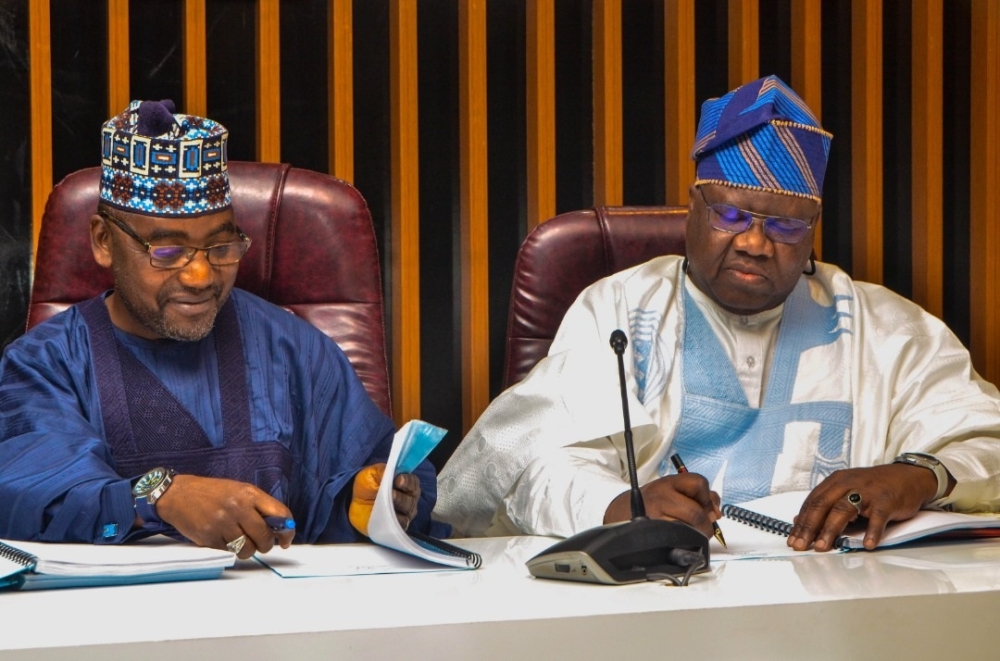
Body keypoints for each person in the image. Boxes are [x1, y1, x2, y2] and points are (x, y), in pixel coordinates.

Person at [434, 75, 1000, 552]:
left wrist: (918, 476)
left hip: (840, 603)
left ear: (813, 230)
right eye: (730, 215)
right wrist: (623, 506)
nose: (755, 243)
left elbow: (986, 440)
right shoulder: (621, 310)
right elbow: (537, 464)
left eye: (785, 226)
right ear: (692, 207)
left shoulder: (886, 330)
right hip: (655, 599)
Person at [0, 100, 447, 558]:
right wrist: (160, 497)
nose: (201, 276)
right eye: (168, 251)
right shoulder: (45, 364)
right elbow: (29, 497)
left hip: (281, 617)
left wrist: (372, 499)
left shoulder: (292, 347)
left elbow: (367, 475)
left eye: (221, 246)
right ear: (103, 241)